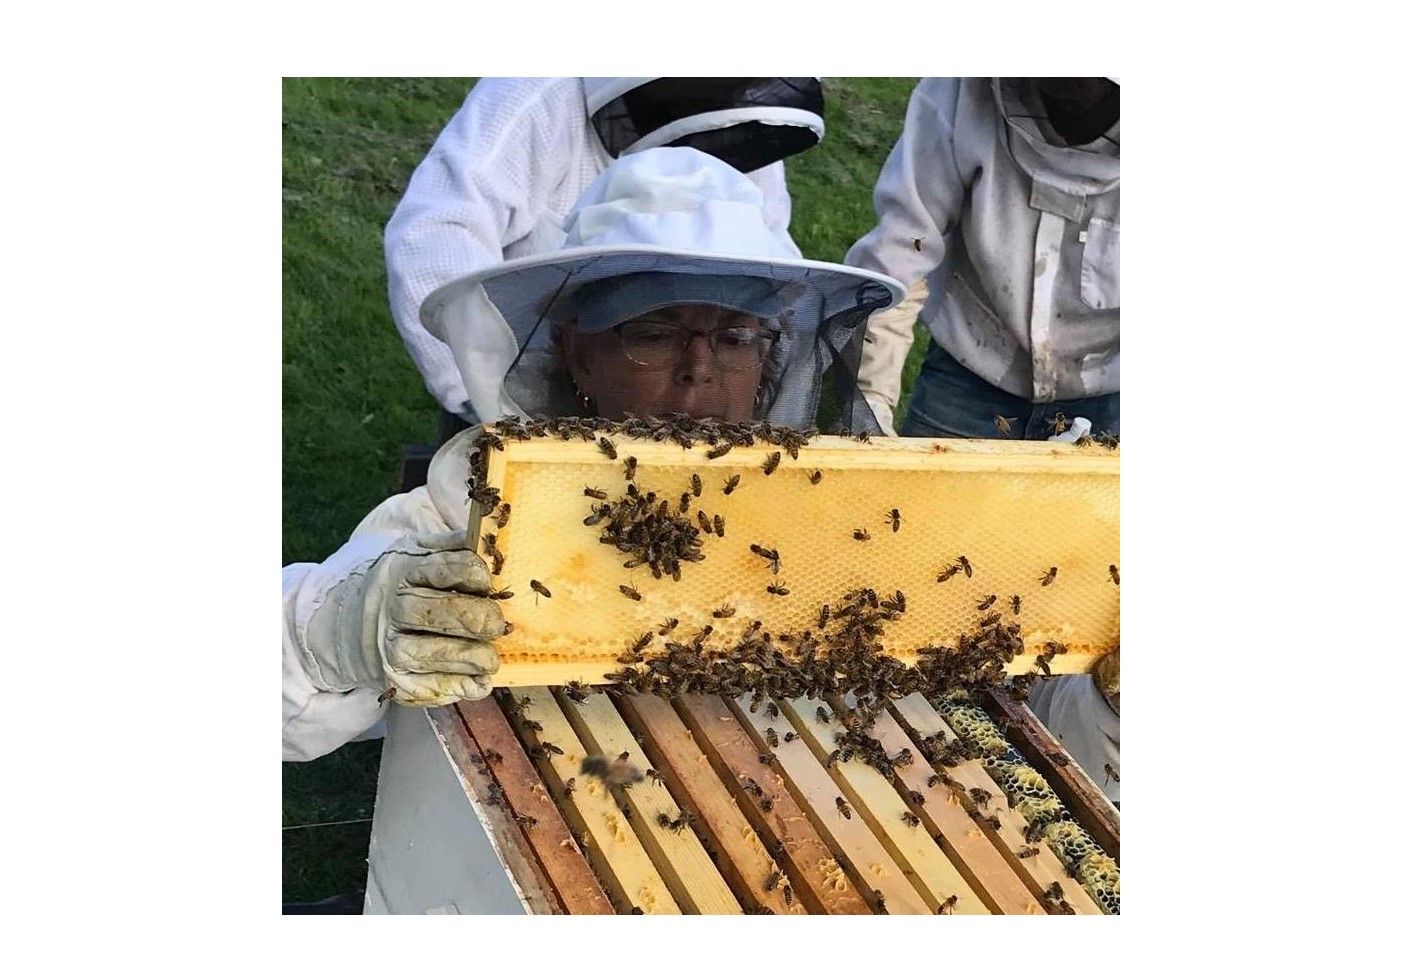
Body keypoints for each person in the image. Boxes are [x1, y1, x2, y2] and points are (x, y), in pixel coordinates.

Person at [284, 146, 902, 764]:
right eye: (654, 335)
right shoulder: (471, 507)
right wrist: (341, 630)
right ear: (580, 355)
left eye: (735, 337)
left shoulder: (812, 508)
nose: (699, 370)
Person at [385, 77, 826, 436]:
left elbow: (770, 267)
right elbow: (436, 233)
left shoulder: (743, 126)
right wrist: (492, 394)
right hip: (560, 358)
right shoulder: (534, 91)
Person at [844, 77, 1119, 442]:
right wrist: (870, 405)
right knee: (922, 501)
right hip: (969, 373)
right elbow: (897, 257)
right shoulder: (956, 93)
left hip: (1110, 392)